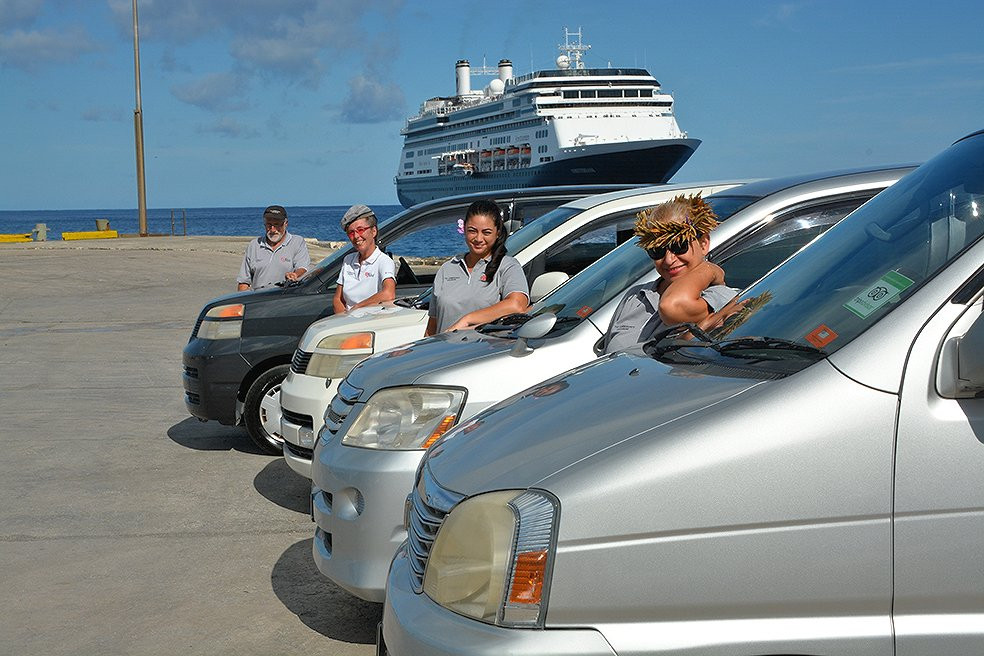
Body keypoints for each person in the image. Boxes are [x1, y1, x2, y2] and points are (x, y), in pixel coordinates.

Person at [601, 193, 738, 353]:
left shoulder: (720, 297)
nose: (668, 260)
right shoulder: (636, 296)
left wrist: (709, 269)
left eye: (679, 246)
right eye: (657, 250)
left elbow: (672, 306)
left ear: (704, 244)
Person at [425, 199, 529, 336]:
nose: (478, 239)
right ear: (464, 229)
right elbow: (433, 324)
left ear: (497, 233)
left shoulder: (508, 266)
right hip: (445, 352)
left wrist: (468, 320)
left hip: (482, 353)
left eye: (486, 232)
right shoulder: (448, 268)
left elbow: (517, 305)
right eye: (472, 231)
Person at [332, 205, 396, 313]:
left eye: (360, 230)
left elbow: (388, 294)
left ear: (374, 231)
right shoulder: (348, 260)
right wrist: (344, 320)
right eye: (351, 233)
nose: (356, 236)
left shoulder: (384, 261)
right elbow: (338, 299)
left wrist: (357, 308)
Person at [237, 205, 311, 291]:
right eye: (269, 225)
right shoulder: (254, 245)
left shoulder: (297, 242)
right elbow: (243, 282)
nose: (272, 229)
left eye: (276, 225)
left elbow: (303, 267)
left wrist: (295, 275)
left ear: (285, 224)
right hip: (259, 299)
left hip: (285, 298)